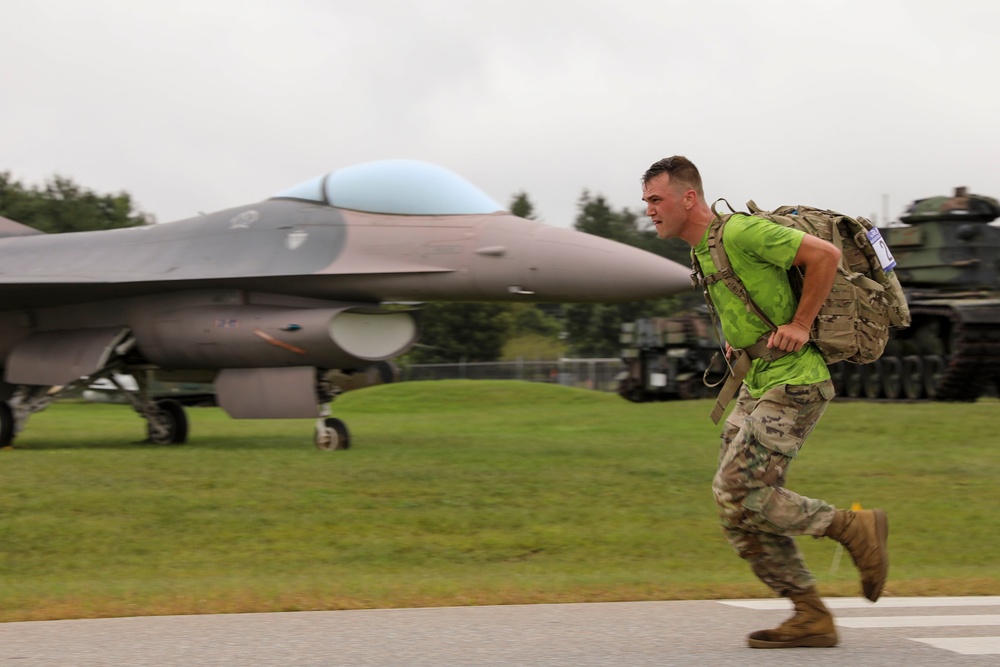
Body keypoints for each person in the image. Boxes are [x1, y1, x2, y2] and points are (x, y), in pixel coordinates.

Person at [640, 156, 889, 649]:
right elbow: (745, 297)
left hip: (795, 381)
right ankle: (810, 615)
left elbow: (823, 256)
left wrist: (799, 325)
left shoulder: (740, 233)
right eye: (647, 200)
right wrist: (739, 340)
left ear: (688, 197)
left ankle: (853, 527)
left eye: (655, 199)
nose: (648, 210)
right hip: (757, 382)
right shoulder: (701, 251)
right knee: (735, 510)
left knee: (740, 490)